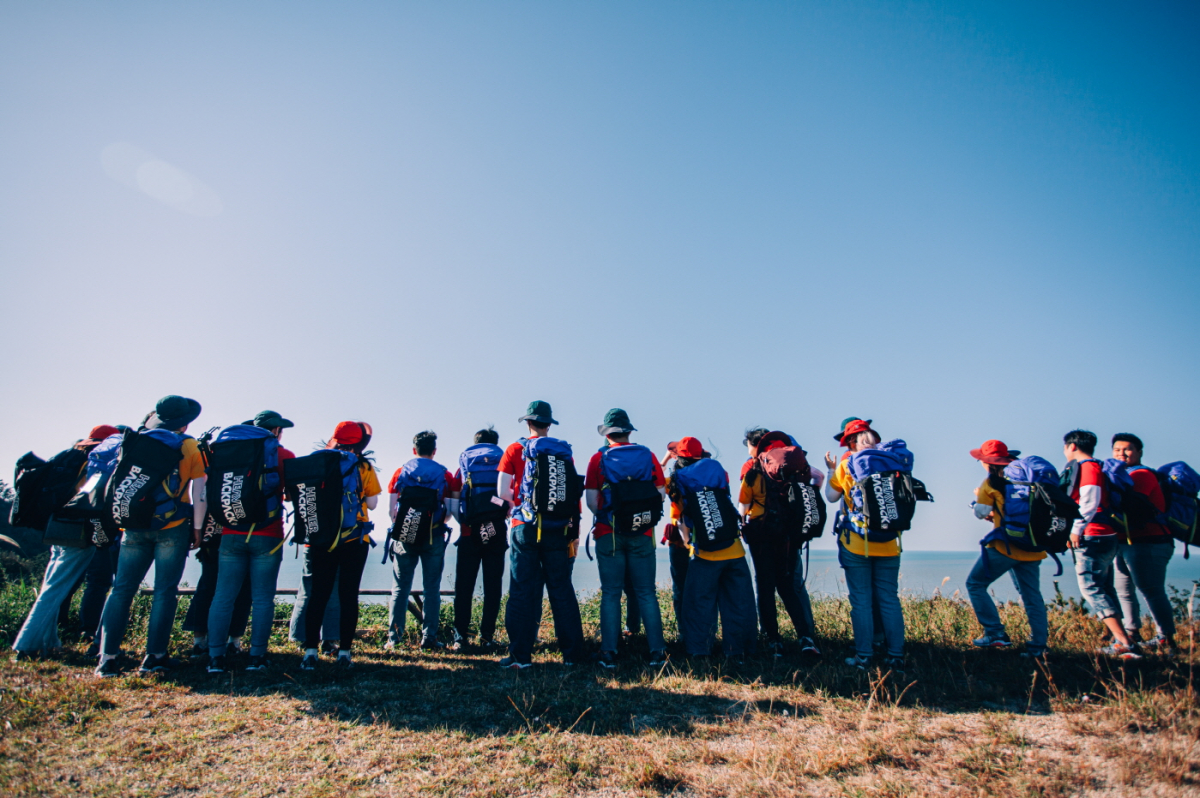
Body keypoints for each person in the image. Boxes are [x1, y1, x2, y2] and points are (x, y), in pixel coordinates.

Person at [95, 396, 208, 676]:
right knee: (164, 591)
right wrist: (197, 527)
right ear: (185, 422)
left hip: (133, 525)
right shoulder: (190, 446)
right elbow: (199, 492)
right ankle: (154, 656)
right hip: (173, 525)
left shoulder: (135, 440)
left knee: (121, 589)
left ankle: (107, 658)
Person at [12, 425, 119, 659]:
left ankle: (49, 641)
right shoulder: (98, 460)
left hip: (56, 526)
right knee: (55, 588)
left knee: (51, 585)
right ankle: (26, 645)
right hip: (78, 529)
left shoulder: (68, 455)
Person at [206, 411, 297, 673]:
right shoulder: (283, 454)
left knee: (223, 596)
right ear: (276, 431)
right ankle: (257, 657)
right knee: (263, 598)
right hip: (268, 534)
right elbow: (290, 495)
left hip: (231, 532)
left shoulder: (230, 452)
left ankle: (215, 657)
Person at [496, 401, 585, 669]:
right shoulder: (562, 452)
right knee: (561, 589)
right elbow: (571, 491)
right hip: (556, 527)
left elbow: (502, 491)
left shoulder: (515, 449)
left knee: (522, 589)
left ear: (528, 423)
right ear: (549, 424)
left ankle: (520, 656)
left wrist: (517, 503)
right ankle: (573, 655)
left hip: (524, 525)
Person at [585, 409, 667, 668]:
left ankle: (609, 652)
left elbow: (591, 501)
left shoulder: (597, 458)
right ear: (629, 431)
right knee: (646, 592)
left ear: (608, 434)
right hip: (643, 532)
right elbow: (661, 494)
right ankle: (658, 652)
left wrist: (611, 515)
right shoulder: (648, 456)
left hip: (609, 533)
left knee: (611, 593)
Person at [299, 421, 382, 671]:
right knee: (348, 595)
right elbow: (373, 504)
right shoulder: (363, 466)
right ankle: (344, 652)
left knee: (318, 594)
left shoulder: (317, 460)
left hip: (322, 538)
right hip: (354, 538)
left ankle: (310, 652)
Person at [824, 418, 905, 672]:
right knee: (889, 599)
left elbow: (831, 496)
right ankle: (896, 656)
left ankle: (864, 656)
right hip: (890, 542)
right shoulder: (894, 462)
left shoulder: (847, 464)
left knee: (861, 601)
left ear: (851, 442)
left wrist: (831, 471)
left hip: (858, 543)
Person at [671, 437, 758, 660]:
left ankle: (699, 651)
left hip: (704, 552)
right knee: (738, 604)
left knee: (699, 604)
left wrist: (688, 543)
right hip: (733, 548)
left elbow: (681, 520)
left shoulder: (678, 480)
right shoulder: (718, 472)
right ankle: (738, 651)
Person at [739, 430, 822, 657]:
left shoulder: (752, 470)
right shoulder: (797, 468)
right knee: (787, 587)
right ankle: (805, 638)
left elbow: (743, 505)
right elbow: (816, 481)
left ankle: (774, 641)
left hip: (762, 535)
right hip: (789, 536)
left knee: (765, 588)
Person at [963, 440, 1048, 659]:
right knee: (1032, 596)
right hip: (1033, 546)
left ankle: (994, 633)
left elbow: (981, 513)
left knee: (975, 584)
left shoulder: (990, 483)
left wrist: (977, 498)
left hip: (1006, 547)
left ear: (986, 462)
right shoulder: (1028, 479)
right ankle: (1039, 646)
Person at [1063, 429, 1141, 659]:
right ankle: (1122, 640)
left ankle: (1124, 641)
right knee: (1105, 587)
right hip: (1106, 534)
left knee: (1091, 587)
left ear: (1072, 446)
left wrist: (1076, 529)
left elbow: (1090, 499)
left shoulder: (1087, 467)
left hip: (1092, 534)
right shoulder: (1095, 466)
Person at [386, 430, 459, 651]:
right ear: (434, 451)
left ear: (414, 450)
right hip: (433, 535)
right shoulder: (445, 475)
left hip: (405, 535)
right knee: (431, 589)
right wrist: (434, 522)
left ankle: (394, 638)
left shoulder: (400, 472)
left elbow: (392, 511)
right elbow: (450, 511)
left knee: (400, 588)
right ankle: (429, 638)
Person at [1111, 433, 1176, 652]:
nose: (1121, 454)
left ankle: (1166, 638)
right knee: (1124, 590)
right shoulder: (1122, 476)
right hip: (1126, 542)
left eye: (1127, 449)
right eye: (1117, 450)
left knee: (1151, 590)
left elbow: (1132, 507)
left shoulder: (1142, 475)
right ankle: (1131, 634)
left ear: (1139, 452)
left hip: (1150, 541)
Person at [451, 427, 508, 651]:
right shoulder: (503, 464)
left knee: (464, 587)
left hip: (469, 532)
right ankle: (487, 638)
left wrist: (467, 522)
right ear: (495, 443)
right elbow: (509, 499)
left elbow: (454, 504)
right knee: (493, 586)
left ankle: (460, 637)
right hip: (496, 530)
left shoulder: (464, 467)